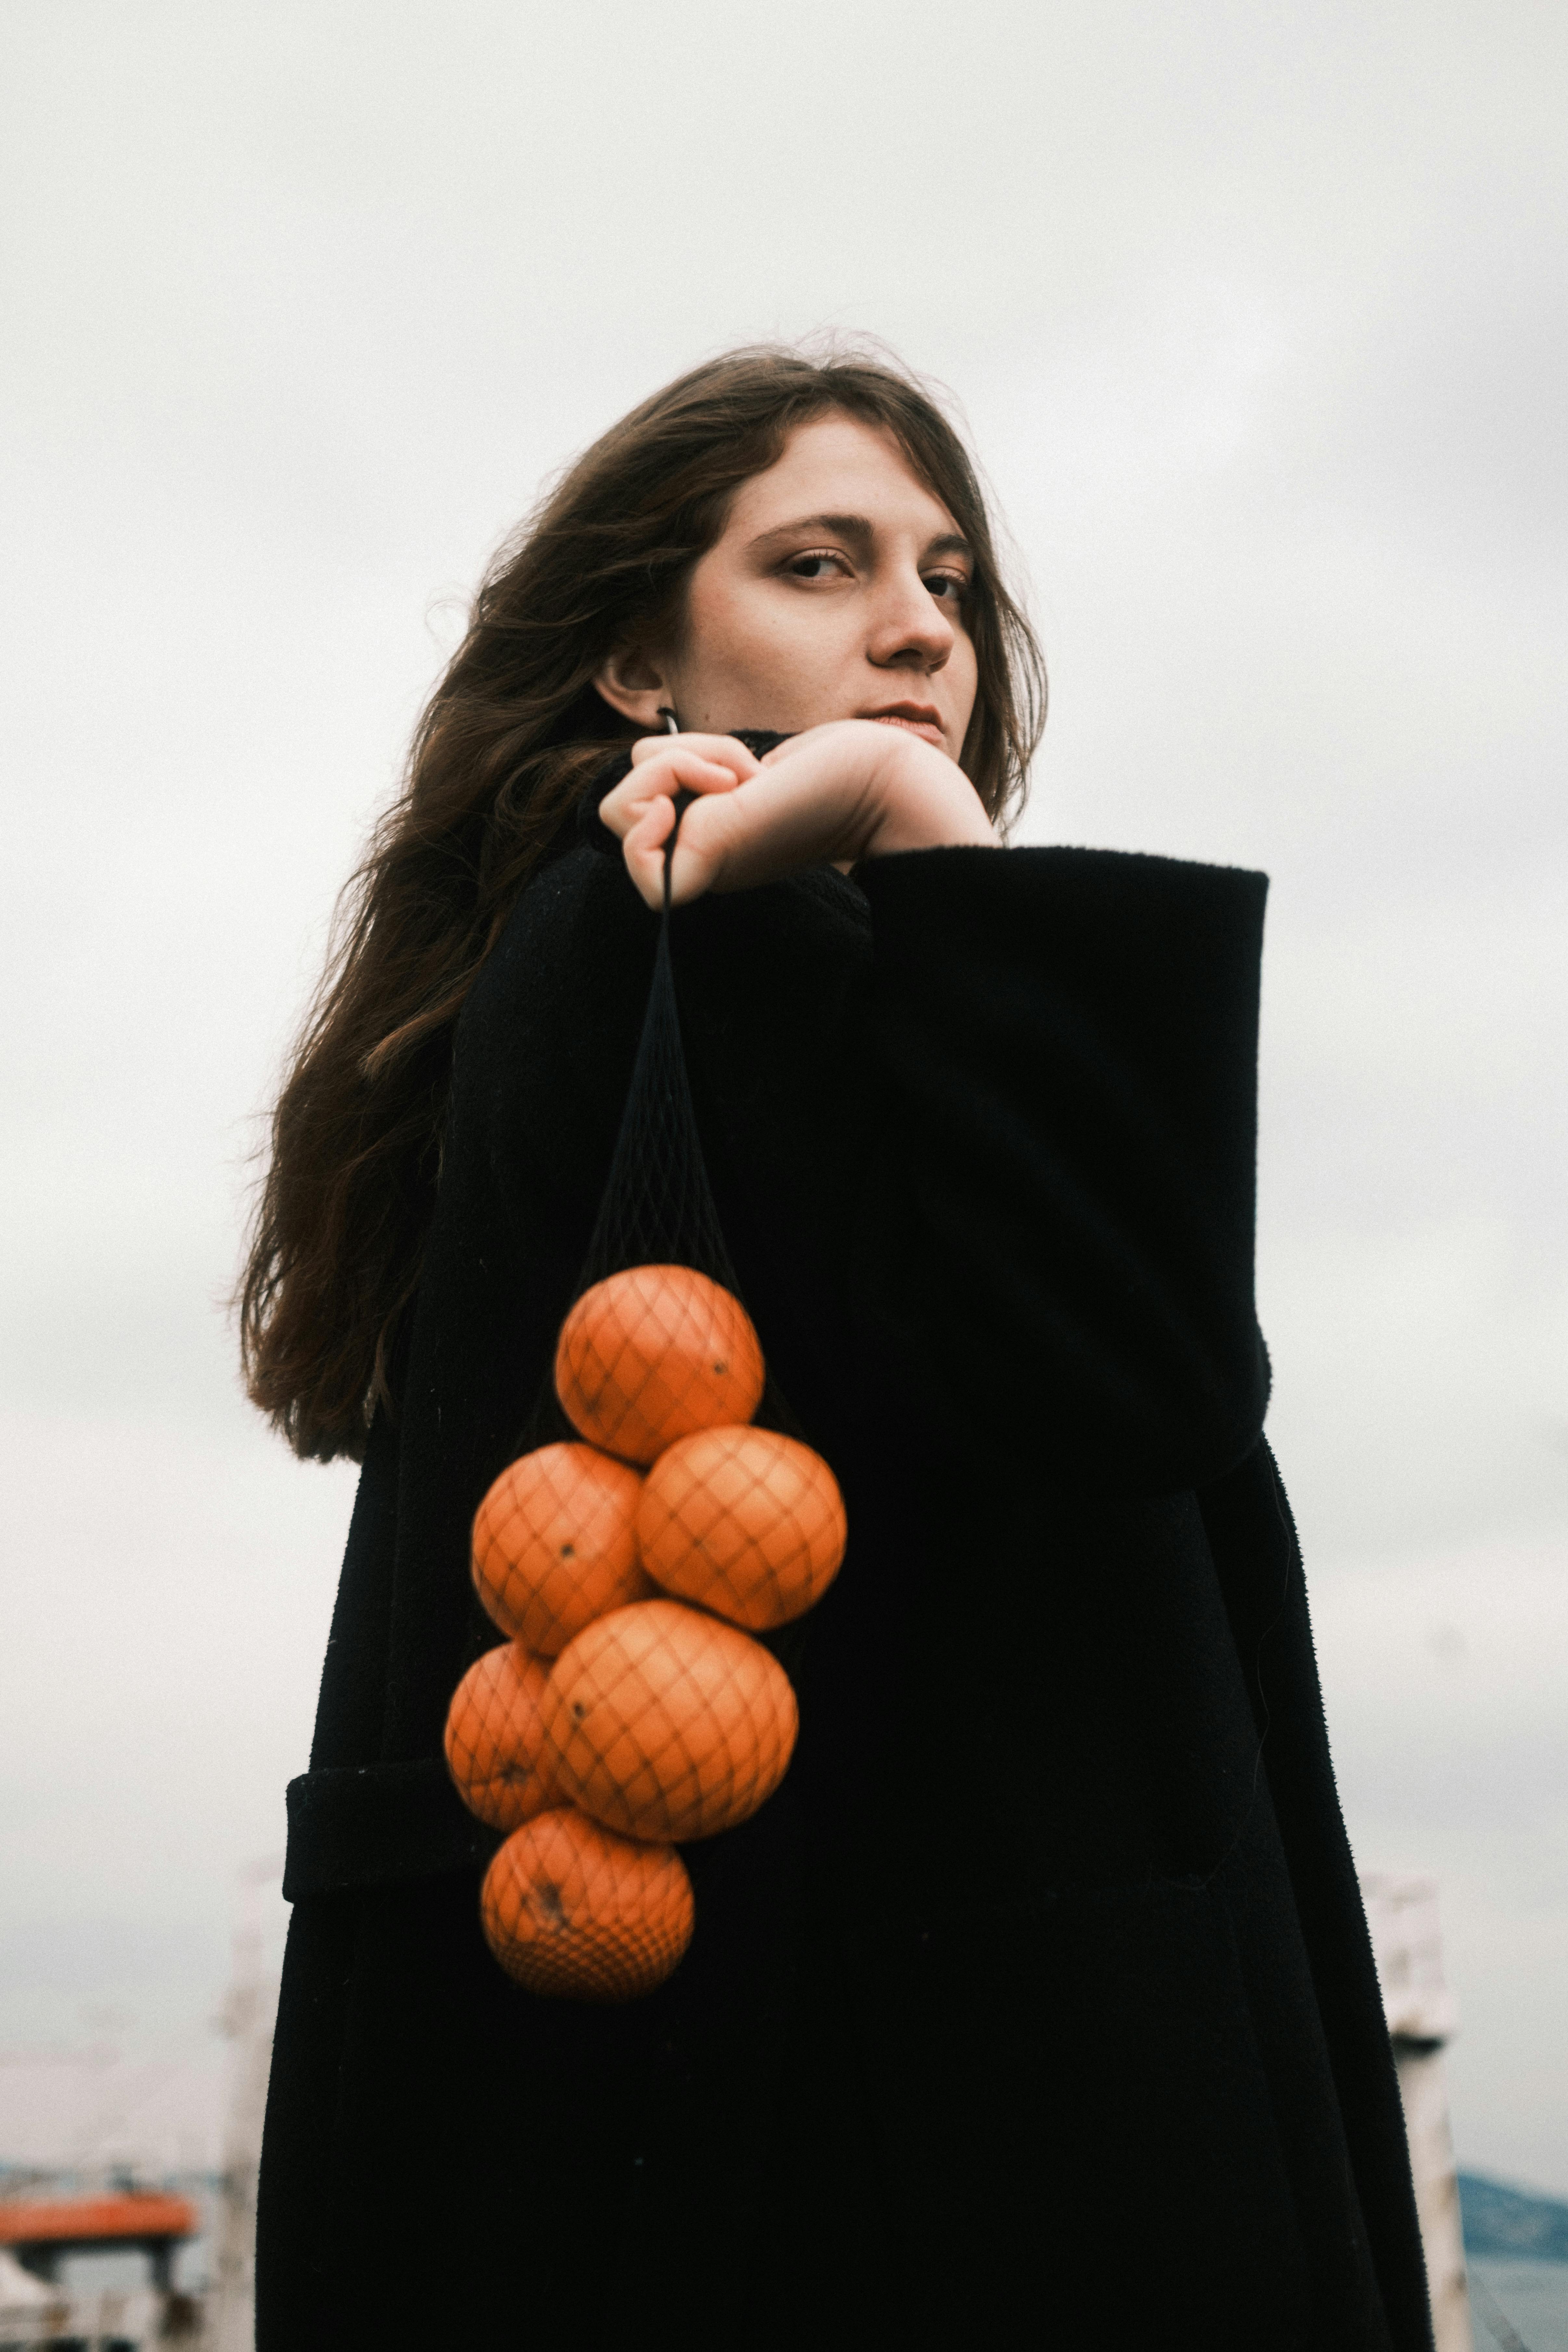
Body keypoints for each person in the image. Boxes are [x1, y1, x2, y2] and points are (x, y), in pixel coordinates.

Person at [243, 347, 1433, 2348]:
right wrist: (918, 818)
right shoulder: (687, 938)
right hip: (943, 2130)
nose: (917, 627)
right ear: (639, 662)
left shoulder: (630, 947)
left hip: (788, 2077)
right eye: (818, 564)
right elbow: (1132, 1379)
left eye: (950, 581)